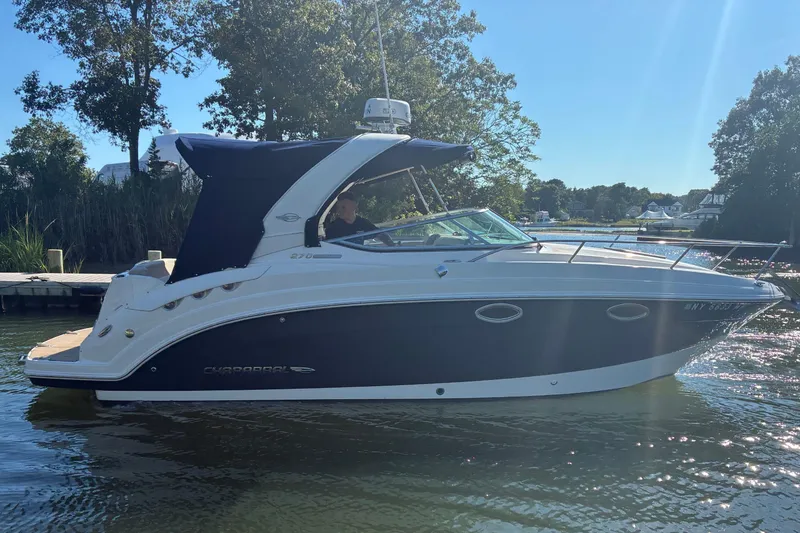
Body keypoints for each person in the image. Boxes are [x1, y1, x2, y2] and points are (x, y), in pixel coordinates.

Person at [324, 191, 393, 246]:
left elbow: (380, 234)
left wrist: (392, 246)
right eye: (338, 207)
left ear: (354, 207)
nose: (339, 211)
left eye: (343, 207)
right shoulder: (333, 228)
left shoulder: (363, 223)